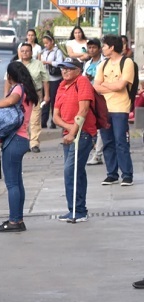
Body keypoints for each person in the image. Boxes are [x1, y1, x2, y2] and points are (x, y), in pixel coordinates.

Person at [0, 62, 38, 233]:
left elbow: (11, 100)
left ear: (11, 75)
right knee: (17, 183)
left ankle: (14, 221)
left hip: (14, 139)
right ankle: (17, 218)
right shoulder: (28, 89)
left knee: (12, 183)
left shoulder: (18, 88)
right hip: (22, 139)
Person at [53, 58, 97, 222]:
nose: (64, 71)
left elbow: (84, 109)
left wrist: (73, 132)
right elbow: (55, 116)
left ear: (78, 70)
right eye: (63, 68)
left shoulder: (82, 81)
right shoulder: (61, 86)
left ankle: (78, 211)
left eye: (69, 68)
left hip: (83, 133)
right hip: (69, 133)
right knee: (76, 171)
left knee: (70, 171)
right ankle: (76, 209)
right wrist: (69, 128)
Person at [93, 35, 135, 186]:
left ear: (111, 47)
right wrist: (110, 86)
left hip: (120, 108)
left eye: (104, 46)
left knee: (121, 141)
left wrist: (105, 86)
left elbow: (121, 86)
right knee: (107, 142)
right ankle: (111, 174)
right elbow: (96, 86)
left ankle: (127, 174)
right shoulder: (102, 65)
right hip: (105, 108)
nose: (102, 48)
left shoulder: (127, 62)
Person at [6, 43, 50, 153]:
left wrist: (47, 95)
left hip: (35, 94)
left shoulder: (38, 64)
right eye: (23, 51)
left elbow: (45, 80)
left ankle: (34, 143)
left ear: (31, 52)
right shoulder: (15, 65)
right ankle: (24, 142)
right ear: (19, 52)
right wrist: (6, 95)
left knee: (35, 119)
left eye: (27, 51)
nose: (25, 53)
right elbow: (7, 80)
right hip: (19, 95)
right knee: (21, 119)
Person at [83, 38, 106, 166]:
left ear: (99, 48)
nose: (91, 50)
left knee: (101, 126)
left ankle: (98, 154)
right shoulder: (87, 63)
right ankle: (96, 151)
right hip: (90, 96)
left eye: (94, 48)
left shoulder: (104, 62)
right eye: (89, 48)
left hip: (101, 96)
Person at [40, 34, 64, 129]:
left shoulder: (57, 52)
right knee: (45, 100)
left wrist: (49, 62)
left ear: (52, 42)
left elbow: (60, 63)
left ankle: (54, 121)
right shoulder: (44, 52)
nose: (45, 45)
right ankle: (43, 121)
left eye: (47, 43)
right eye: (44, 43)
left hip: (55, 79)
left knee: (54, 100)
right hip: (45, 78)